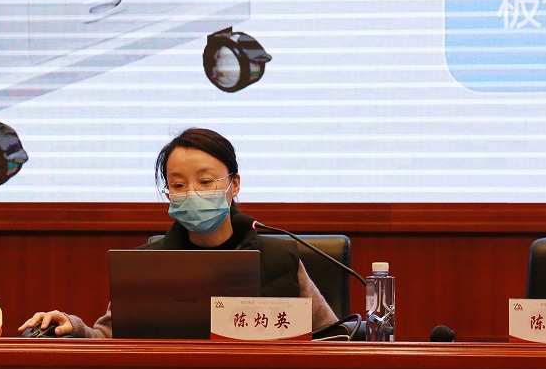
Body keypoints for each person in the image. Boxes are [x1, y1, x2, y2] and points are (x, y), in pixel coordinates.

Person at [18, 128, 338, 337]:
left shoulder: (279, 257)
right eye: (179, 185)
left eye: (206, 181)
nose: (192, 193)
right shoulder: (147, 264)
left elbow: (331, 336)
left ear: (234, 184)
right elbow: (109, 337)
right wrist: (72, 326)